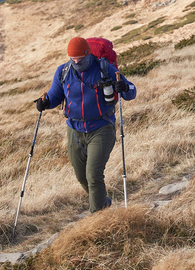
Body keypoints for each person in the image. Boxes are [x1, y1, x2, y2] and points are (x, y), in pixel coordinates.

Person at [34, 37, 136, 212]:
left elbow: (132, 90)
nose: (76, 62)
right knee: (81, 176)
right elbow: (54, 96)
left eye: (80, 59)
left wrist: (124, 88)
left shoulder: (104, 68)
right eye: (73, 59)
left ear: (88, 54)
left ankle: (98, 220)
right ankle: (103, 203)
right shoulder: (63, 71)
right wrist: (45, 103)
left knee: (93, 175)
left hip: (102, 128)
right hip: (74, 130)